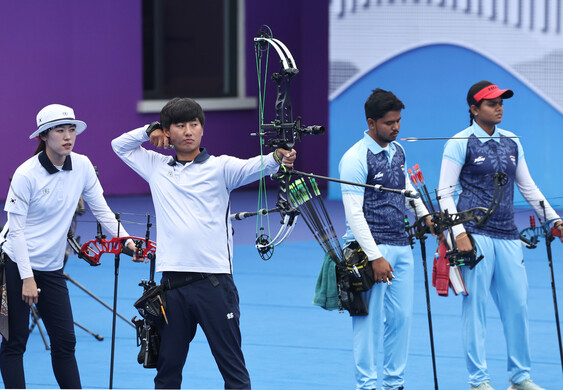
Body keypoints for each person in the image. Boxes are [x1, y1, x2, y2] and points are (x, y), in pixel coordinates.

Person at [111, 97, 297, 389]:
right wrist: (148, 130)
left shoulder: (222, 167)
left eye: (194, 124)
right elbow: (119, 145)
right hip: (171, 286)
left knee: (232, 369)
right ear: (167, 131)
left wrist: (278, 157)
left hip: (213, 282)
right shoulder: (156, 166)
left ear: (202, 129)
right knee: (167, 370)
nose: (188, 131)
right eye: (180, 125)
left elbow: (257, 165)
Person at [0, 104, 137, 389]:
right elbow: (17, 232)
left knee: (65, 342)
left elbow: (103, 211)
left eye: (71, 129)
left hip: (51, 268)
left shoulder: (83, 165)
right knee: (15, 343)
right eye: (60, 130)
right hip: (16, 264)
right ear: (44, 136)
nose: (67, 136)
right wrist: (27, 277)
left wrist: (127, 240)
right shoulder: (26, 174)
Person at [437, 80, 563, 390]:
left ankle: (520, 378)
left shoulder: (512, 142)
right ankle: (478, 381)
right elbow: (444, 193)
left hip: (508, 235)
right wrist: (458, 232)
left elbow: (528, 187)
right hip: (474, 236)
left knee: (517, 307)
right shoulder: (459, 142)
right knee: (475, 309)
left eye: (501, 102)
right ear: (474, 108)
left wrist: (555, 221)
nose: (499, 107)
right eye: (491, 103)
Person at [339, 88, 434, 390]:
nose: (396, 127)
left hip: (401, 245)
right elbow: (354, 214)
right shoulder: (355, 158)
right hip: (370, 251)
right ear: (371, 122)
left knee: (402, 319)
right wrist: (375, 257)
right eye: (389, 122)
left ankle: (395, 384)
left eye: (398, 121)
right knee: (367, 324)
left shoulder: (398, 151)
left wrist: (424, 215)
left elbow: (405, 188)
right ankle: (366, 386)